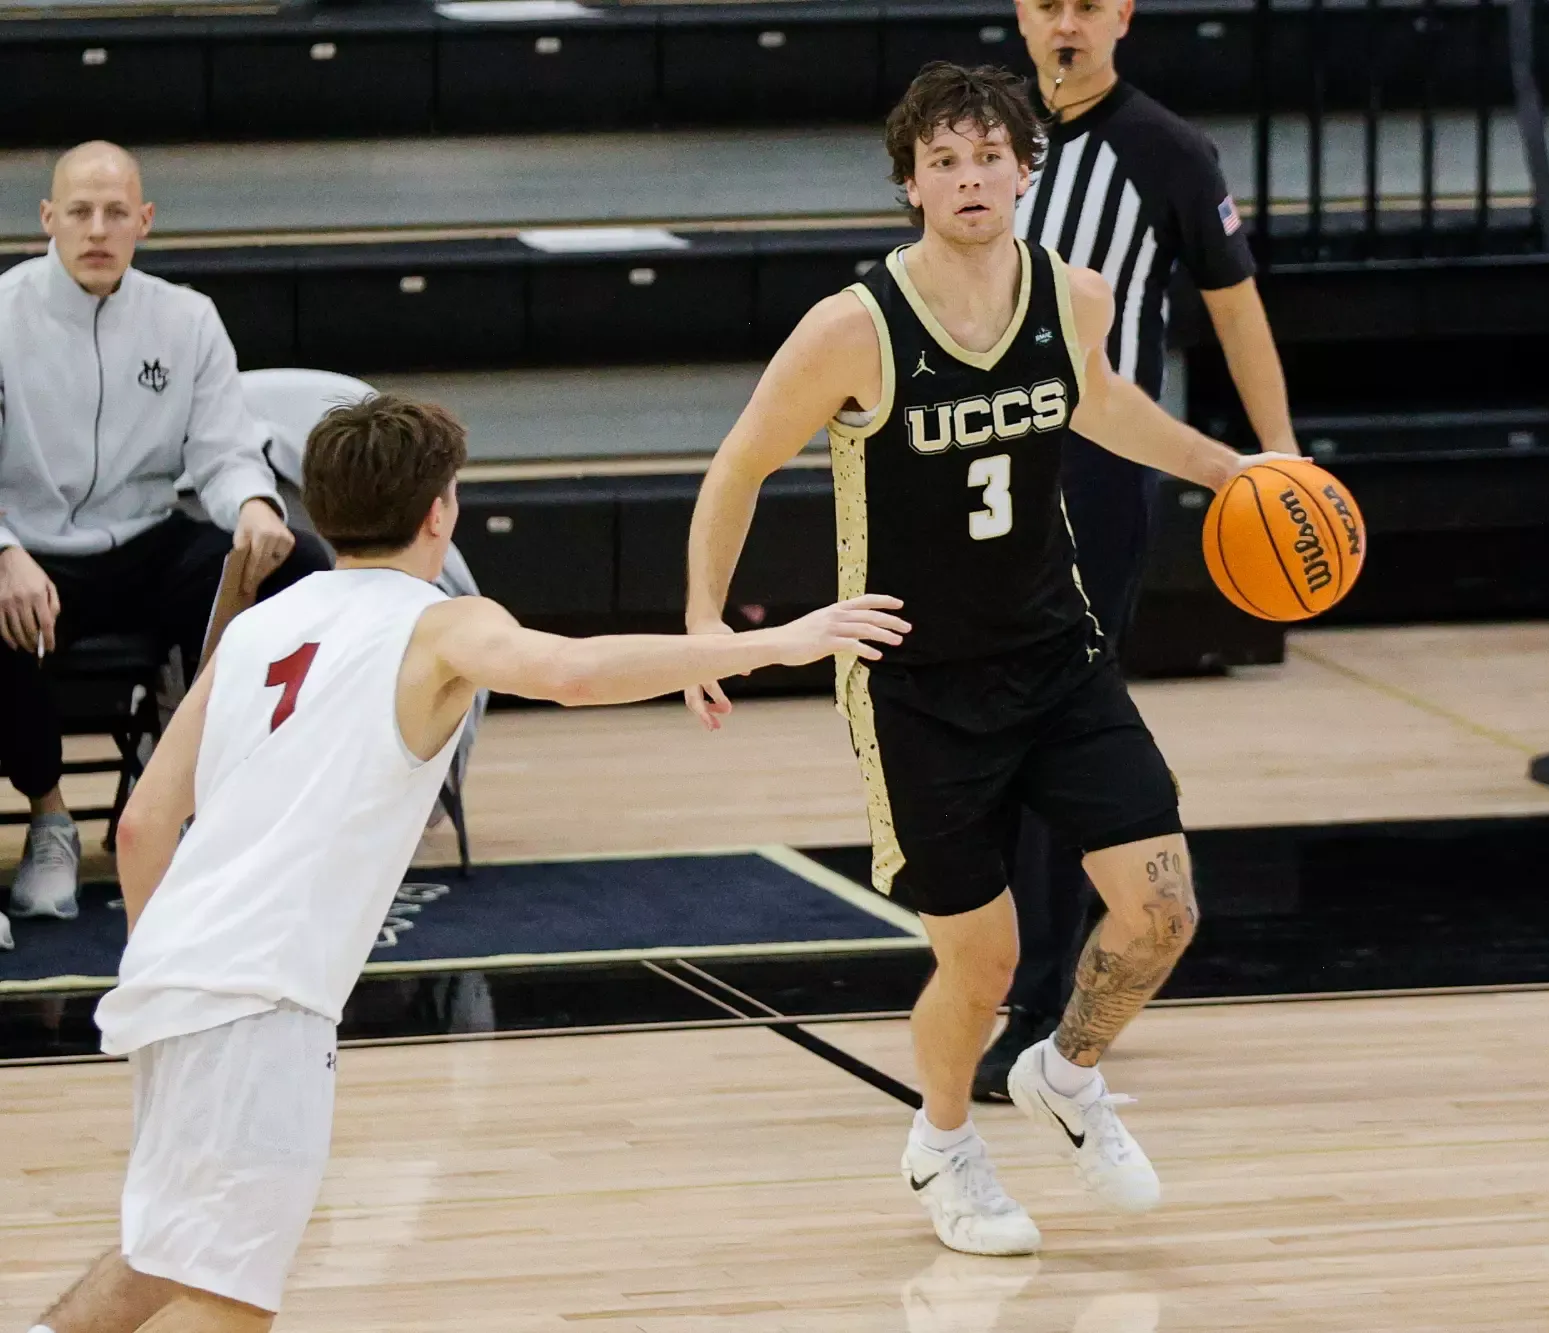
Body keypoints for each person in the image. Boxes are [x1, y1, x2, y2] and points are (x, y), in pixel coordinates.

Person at [27, 394, 908, 1333]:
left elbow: (139, 826)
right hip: (260, 995)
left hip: (174, 972)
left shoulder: (254, 630)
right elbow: (570, 672)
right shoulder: (440, 622)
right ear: (440, 512)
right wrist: (771, 641)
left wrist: (168, 956)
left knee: (165, 1248)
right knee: (227, 1293)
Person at [684, 62, 1274, 1256]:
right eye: (942, 160)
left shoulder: (1075, 293)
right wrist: (704, 618)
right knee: (985, 957)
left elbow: (1099, 405)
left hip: (1054, 653)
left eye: (987, 156)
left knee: (1161, 911)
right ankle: (942, 1142)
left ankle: (1064, 1072)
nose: (968, 177)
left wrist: (1232, 471)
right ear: (909, 184)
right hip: (915, 681)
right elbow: (738, 463)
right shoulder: (852, 325)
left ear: (1023, 169)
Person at [976, 0, 1304, 1100]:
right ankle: (988, 960)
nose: (1065, 23)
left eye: (1086, 4)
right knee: (971, 718)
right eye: (1047, 4)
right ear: (1022, 16)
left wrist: (1278, 455)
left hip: (1092, 476)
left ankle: (1034, 999)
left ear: (1121, 15)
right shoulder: (978, 134)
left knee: (1052, 722)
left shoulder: (1165, 149)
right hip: (967, 466)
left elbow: (1234, 304)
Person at [0, 142, 328, 950]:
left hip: (145, 541)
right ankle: (50, 818)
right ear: (48, 219)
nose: (98, 229)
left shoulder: (187, 319)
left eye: (117, 213)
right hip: (32, 554)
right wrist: (3, 549)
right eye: (80, 211)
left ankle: (201, 796)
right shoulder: (2, 313)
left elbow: (222, 451)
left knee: (298, 567)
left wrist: (253, 506)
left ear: (144, 221)